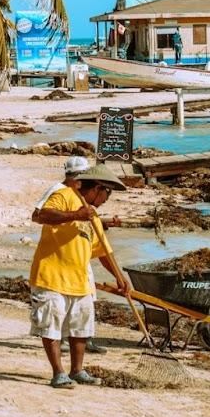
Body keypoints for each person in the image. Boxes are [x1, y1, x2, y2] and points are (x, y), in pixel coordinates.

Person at [28, 163, 132, 389]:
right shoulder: (65, 195)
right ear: (97, 188)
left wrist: (120, 277)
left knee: (81, 328)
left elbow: (102, 251)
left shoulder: (92, 216)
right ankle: (58, 372)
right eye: (107, 193)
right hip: (51, 275)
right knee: (50, 325)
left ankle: (77, 370)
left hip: (79, 279)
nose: (107, 199)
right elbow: (40, 215)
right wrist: (76, 215)